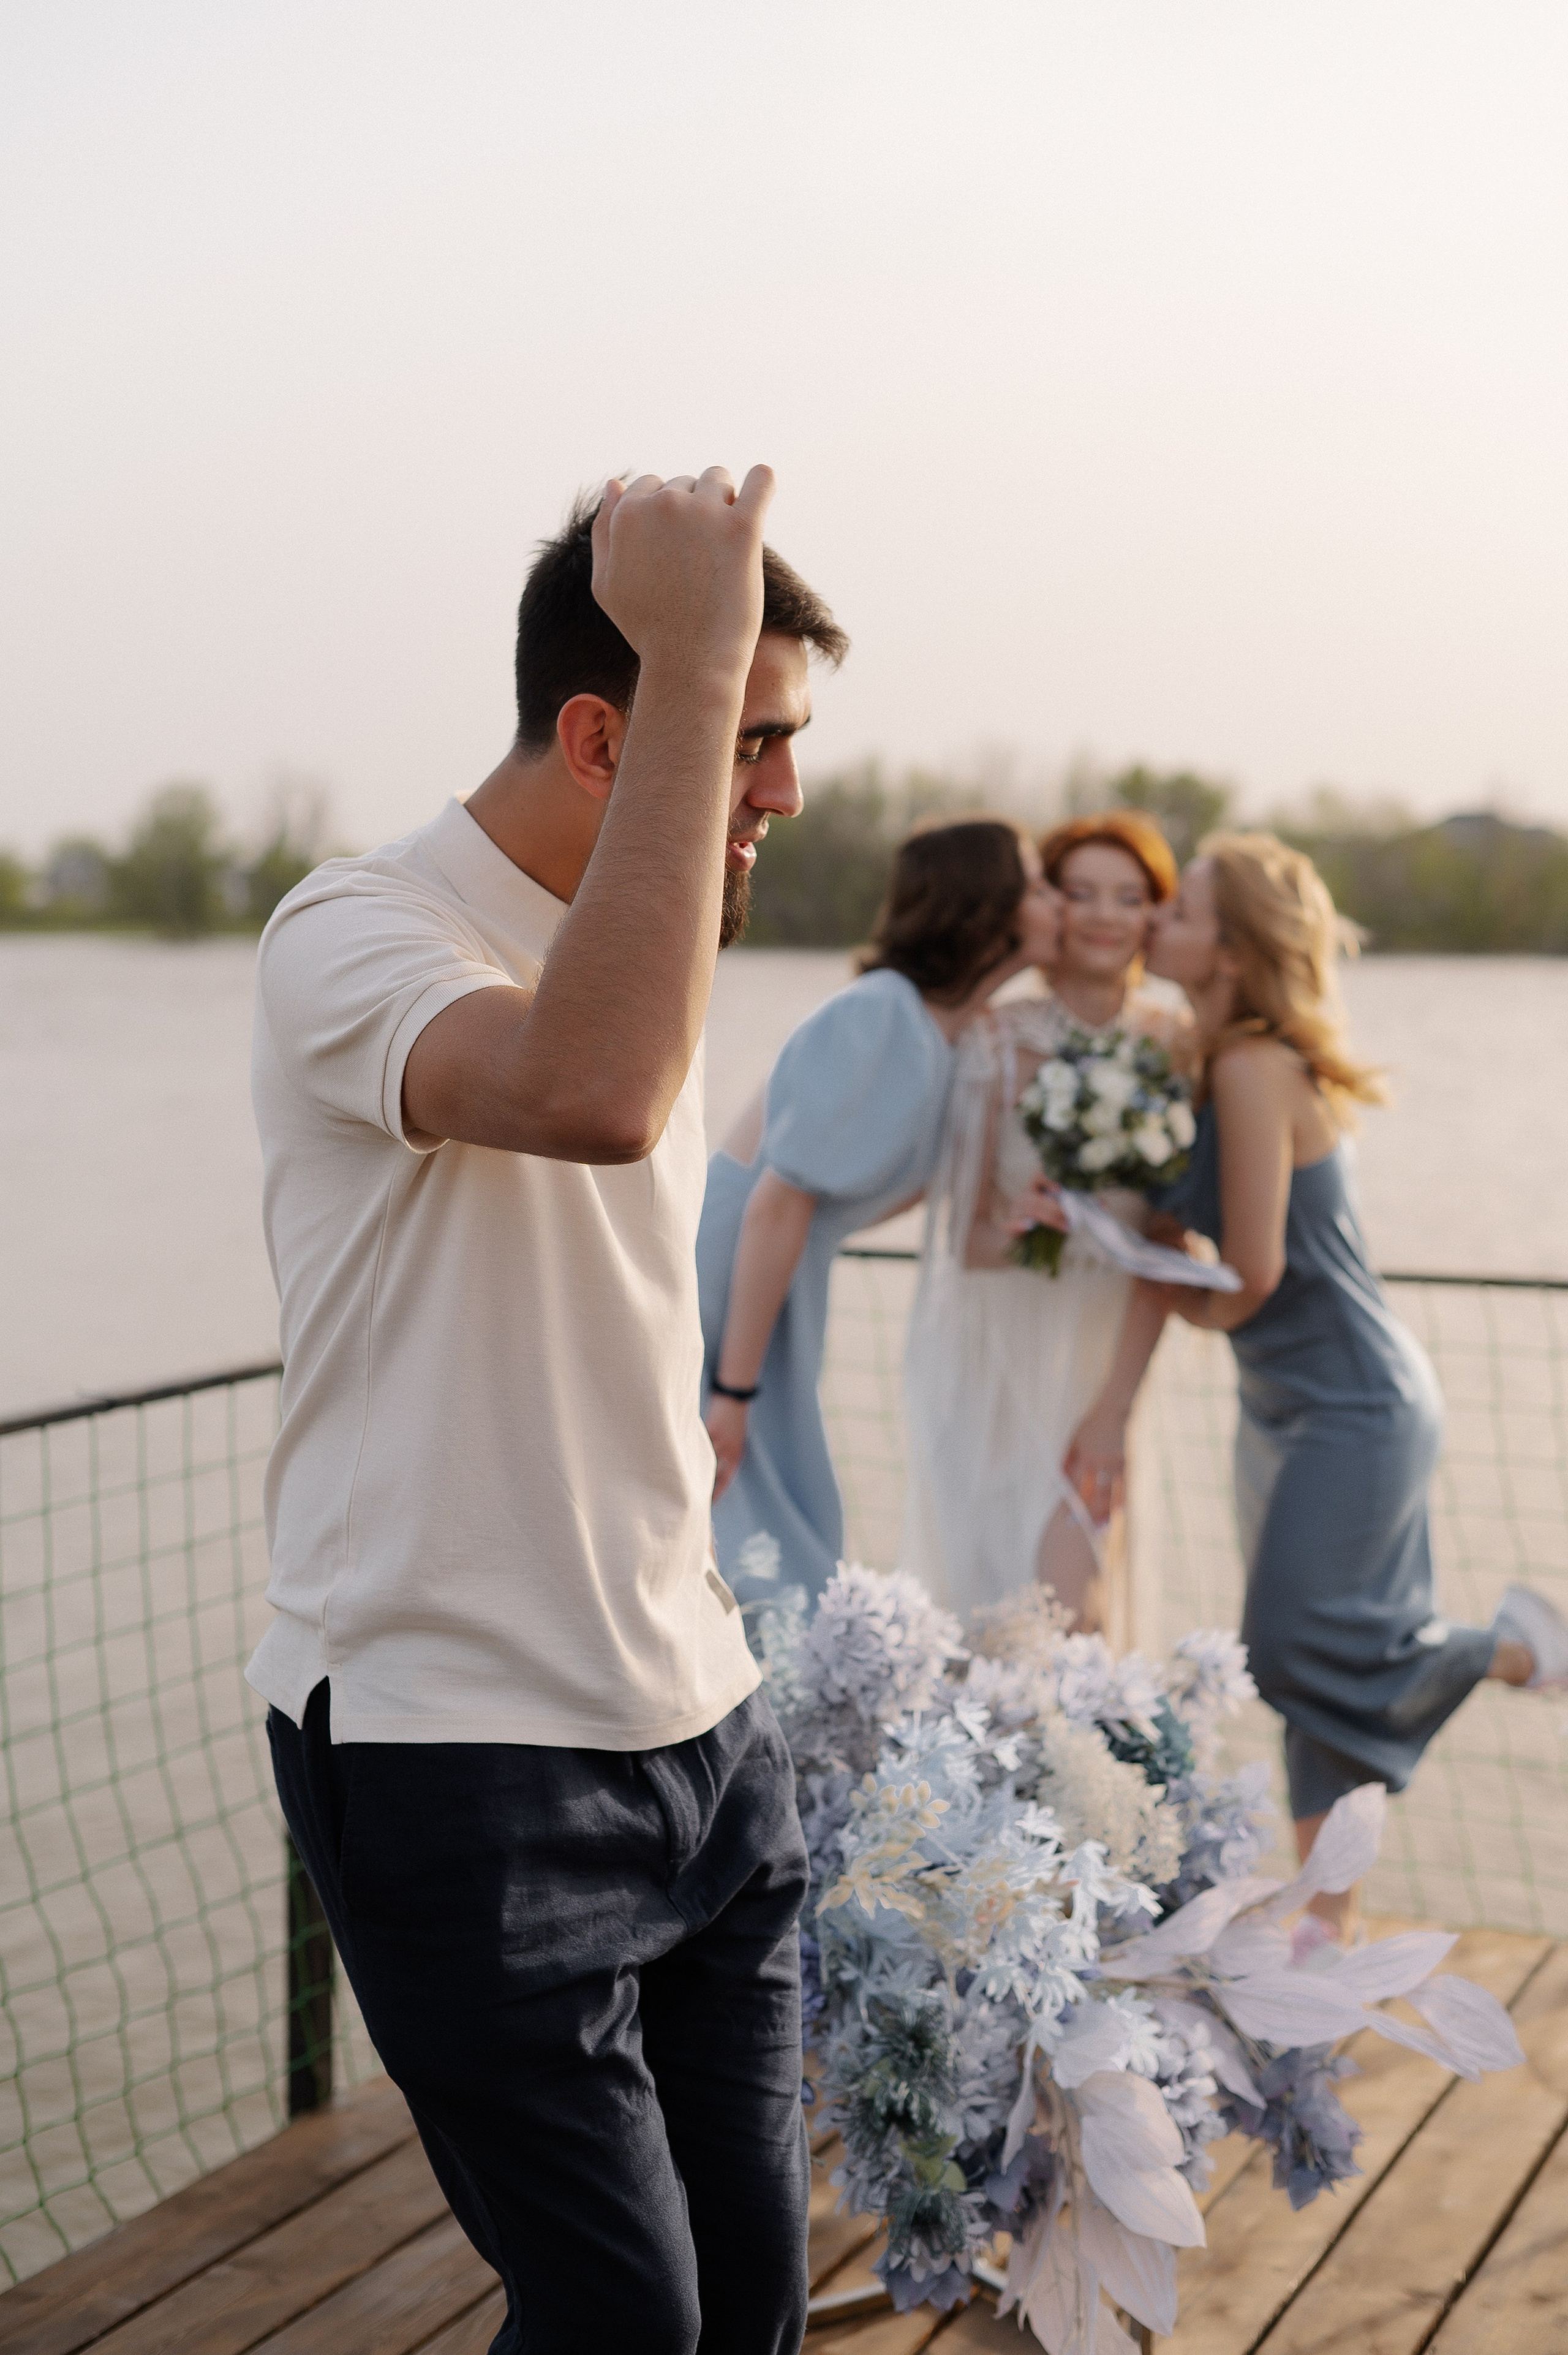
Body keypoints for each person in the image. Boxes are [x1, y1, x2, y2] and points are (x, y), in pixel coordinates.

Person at [247, 467, 850, 2355]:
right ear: (613, 731)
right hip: (459, 1753)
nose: (784, 794)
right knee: (624, 2329)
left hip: (699, 1722)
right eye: (753, 739)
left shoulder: (650, 948)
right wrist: (690, 650)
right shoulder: (352, 930)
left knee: (745, 2309)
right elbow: (581, 1087)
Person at [1066, 832, 1568, 1941]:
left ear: (1235, 952)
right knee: (1317, 1686)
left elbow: (1249, 1277)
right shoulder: (1209, 1055)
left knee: (1291, 1643)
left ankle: (1524, 1647)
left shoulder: (1252, 1065)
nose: (1157, 922)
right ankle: (1322, 1924)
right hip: (1290, 1401)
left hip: (1356, 1401)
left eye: (1183, 911)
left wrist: (1129, 1257)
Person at [699, 818, 1061, 1601]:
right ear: (985, 905)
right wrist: (731, 1391)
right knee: (739, 1516)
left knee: (776, 1529)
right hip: (737, 1265)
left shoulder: (955, 1038)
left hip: (787, 1273)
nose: (1058, 901)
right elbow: (776, 1199)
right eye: (1037, 886)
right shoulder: (881, 1015)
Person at [900, 810, 1180, 1635]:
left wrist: (1114, 1410)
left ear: (1153, 915)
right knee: (996, 1610)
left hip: (1106, 1359)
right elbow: (969, 1247)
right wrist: (1023, 1226)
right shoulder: (995, 1036)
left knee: (1079, 1616)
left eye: (1128, 897)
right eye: (1082, 892)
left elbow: (1170, 1249)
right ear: (1050, 903)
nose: (1103, 916)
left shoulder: (1177, 1047)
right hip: (1001, 1358)